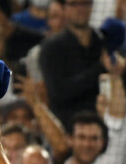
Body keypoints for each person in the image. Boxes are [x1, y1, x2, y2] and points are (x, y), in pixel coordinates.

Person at [39, 0, 104, 130]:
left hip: (101, 129)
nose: (80, 9)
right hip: (66, 130)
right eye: (74, 4)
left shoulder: (103, 42)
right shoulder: (51, 47)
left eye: (85, 3)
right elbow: (58, 92)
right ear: (65, 8)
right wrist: (100, 68)